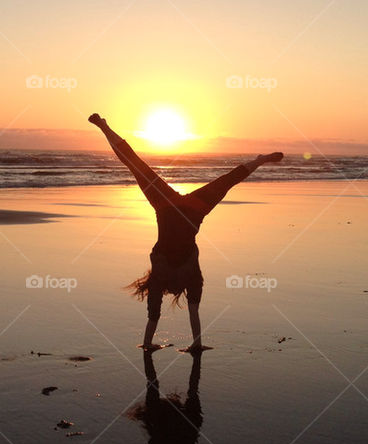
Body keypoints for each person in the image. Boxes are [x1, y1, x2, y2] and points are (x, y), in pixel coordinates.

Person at [89, 113, 282, 351]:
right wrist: (186, 344)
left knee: (137, 165)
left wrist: (152, 344)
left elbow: (158, 314)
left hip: (174, 207)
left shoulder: (173, 276)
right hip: (182, 208)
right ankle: (260, 160)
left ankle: (104, 127)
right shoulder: (175, 275)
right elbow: (178, 311)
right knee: (139, 165)